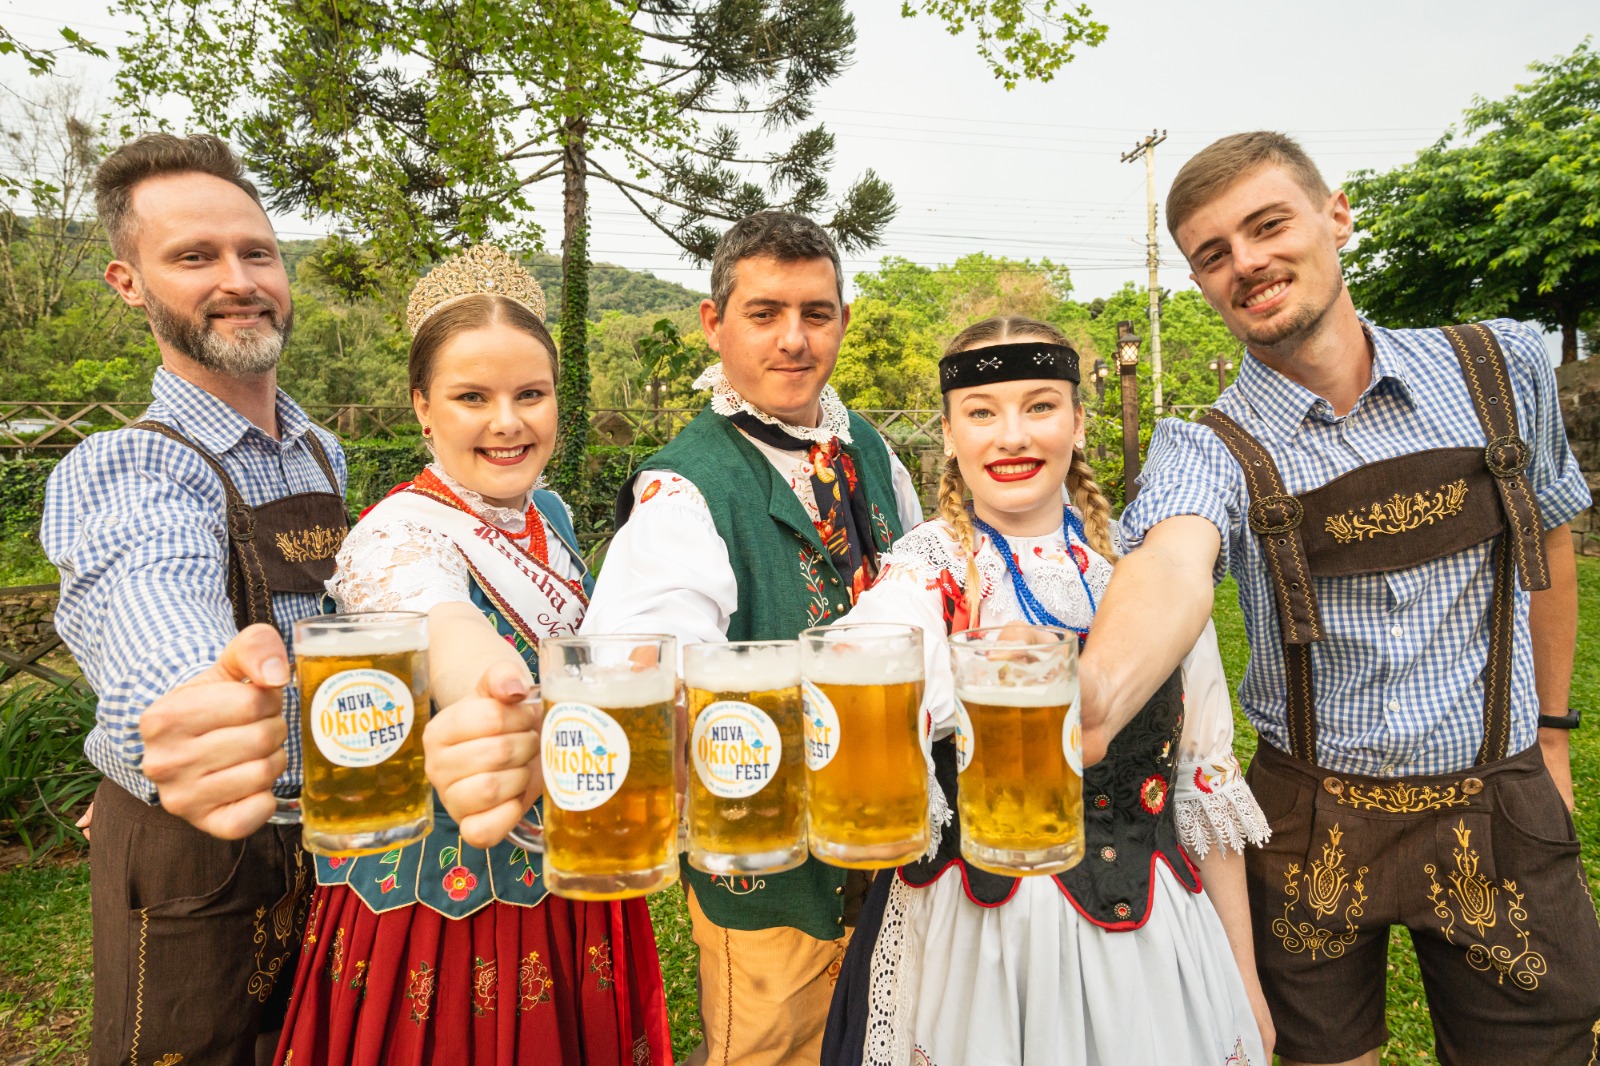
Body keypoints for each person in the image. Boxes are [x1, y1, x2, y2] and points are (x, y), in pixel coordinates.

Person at [1080, 131, 1600, 1066]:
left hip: (1499, 795)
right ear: (1200, 282)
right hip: (1310, 816)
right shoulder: (1207, 446)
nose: (1247, 263)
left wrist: (1553, 735)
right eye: (1213, 254)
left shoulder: (1499, 368)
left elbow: (1549, 535)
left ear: (1337, 215)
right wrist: (1094, 695)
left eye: (1267, 224)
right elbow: (1168, 565)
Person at [434, 210, 924, 1066]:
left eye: (816, 313)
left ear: (844, 318)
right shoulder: (684, 488)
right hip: (771, 879)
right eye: (765, 314)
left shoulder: (872, 453)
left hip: (898, 855)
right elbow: (644, 645)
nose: (794, 340)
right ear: (715, 322)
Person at [820, 315, 1273, 1066]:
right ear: (951, 431)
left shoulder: (1147, 570)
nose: (1012, 436)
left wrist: (1245, 982)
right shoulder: (926, 572)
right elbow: (861, 670)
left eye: (1039, 406)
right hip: (981, 944)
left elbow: (1199, 783)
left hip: (1156, 943)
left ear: (1077, 421)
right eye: (982, 411)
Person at [272, 245, 672, 1065]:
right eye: (471, 397)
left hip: (570, 846)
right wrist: (494, 690)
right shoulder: (396, 533)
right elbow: (446, 628)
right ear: (422, 407)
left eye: (531, 394)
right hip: (442, 889)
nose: (508, 421)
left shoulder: (549, 512)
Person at [41, 133, 347, 1066]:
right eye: (193, 257)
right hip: (198, 852)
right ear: (129, 283)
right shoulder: (131, 461)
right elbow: (149, 602)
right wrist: (188, 710)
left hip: (329, 840)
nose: (239, 279)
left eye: (256, 252)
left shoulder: (320, 451)